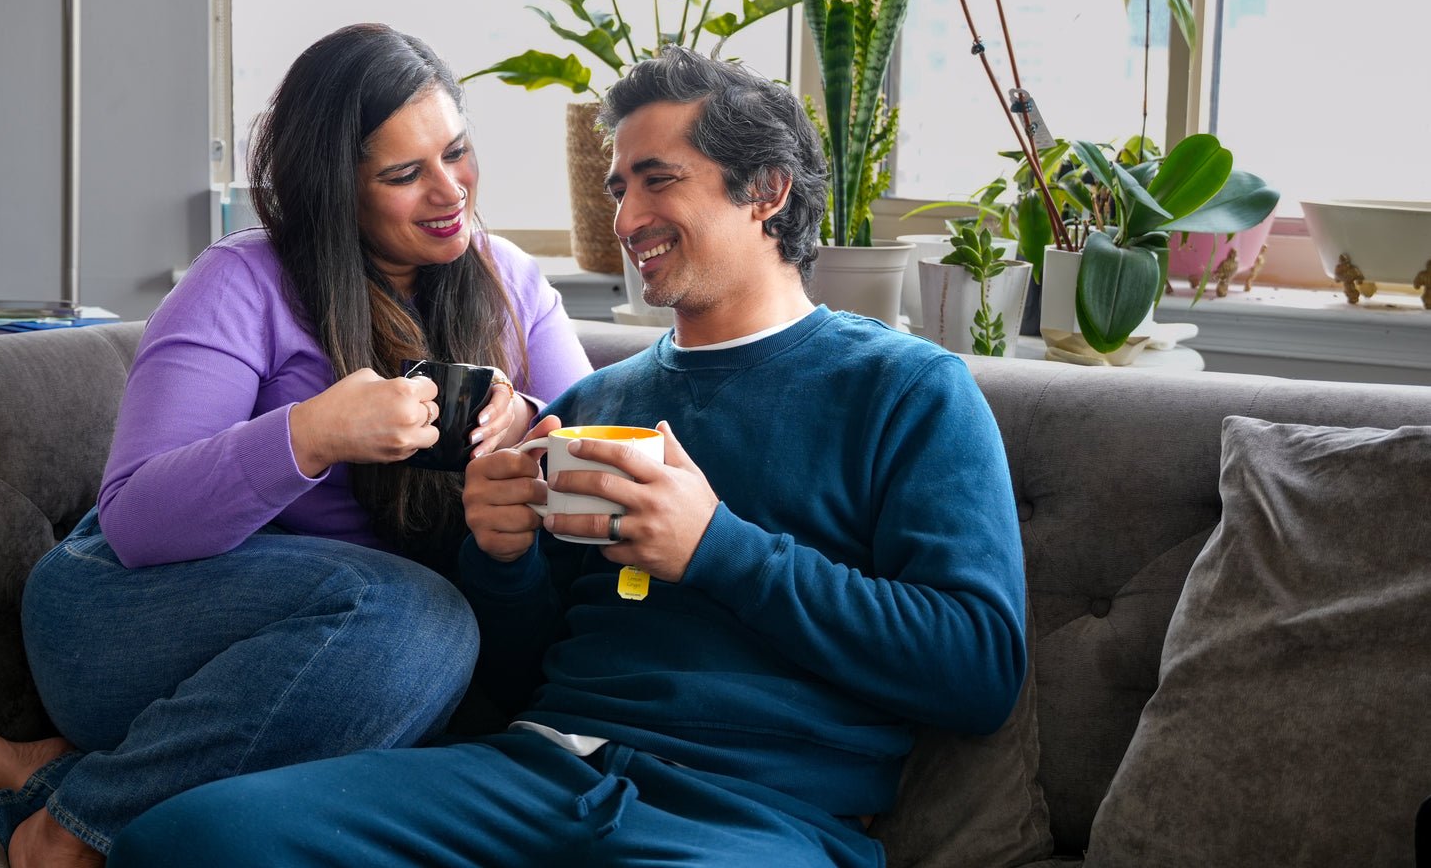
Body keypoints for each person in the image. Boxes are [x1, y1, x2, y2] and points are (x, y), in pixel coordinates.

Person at [106, 45, 1026, 868]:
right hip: (531, 772)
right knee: (183, 841)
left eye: (657, 180)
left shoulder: (909, 392)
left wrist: (717, 548)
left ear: (767, 191)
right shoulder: (592, 406)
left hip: (753, 817)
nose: (626, 218)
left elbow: (979, 672)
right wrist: (499, 561)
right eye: (619, 186)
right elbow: (512, 674)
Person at [0, 22, 592, 867]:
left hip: (332, 666)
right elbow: (136, 522)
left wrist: (527, 419)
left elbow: (584, 434)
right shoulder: (244, 281)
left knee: (464, 671)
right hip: (128, 615)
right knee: (422, 622)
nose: (449, 190)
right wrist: (312, 434)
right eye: (403, 174)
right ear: (334, 189)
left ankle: (72, 775)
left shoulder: (510, 281)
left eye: (456, 152)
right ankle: (67, 831)